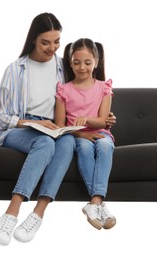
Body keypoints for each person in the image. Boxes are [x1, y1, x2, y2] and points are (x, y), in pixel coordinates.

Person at [0, 13, 116, 245]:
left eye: (56, 41)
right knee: (44, 142)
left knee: (65, 142)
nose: (52, 47)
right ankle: (11, 213)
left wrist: (104, 118)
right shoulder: (16, 70)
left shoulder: (64, 66)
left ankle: (37, 214)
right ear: (33, 40)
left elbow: (85, 90)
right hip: (22, 129)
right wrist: (32, 123)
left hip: (58, 129)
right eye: (45, 42)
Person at [55, 38, 116, 230]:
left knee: (105, 145)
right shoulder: (64, 90)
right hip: (77, 136)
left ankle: (94, 202)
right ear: (70, 63)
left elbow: (102, 120)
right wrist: (80, 134)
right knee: (84, 147)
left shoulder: (103, 88)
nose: (82, 67)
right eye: (76, 62)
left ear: (96, 62)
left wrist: (86, 119)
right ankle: (99, 204)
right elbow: (59, 125)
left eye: (87, 63)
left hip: (100, 133)